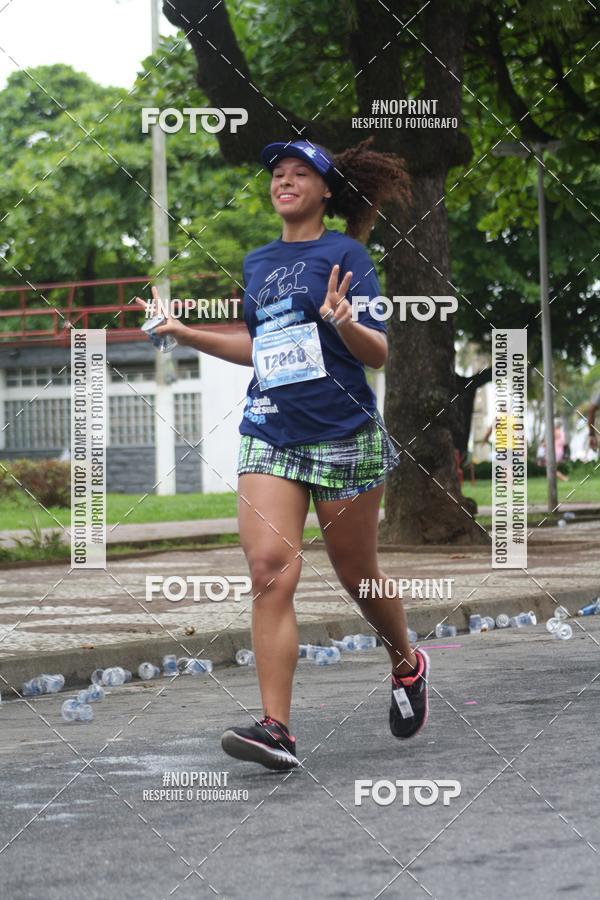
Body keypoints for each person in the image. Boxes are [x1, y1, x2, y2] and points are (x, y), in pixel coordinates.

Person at [137, 138, 428, 772]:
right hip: (270, 430)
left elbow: (378, 352)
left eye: (300, 173)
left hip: (343, 433)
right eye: (278, 173)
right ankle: (277, 730)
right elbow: (260, 348)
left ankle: (406, 663)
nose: (285, 181)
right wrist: (185, 332)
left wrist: (344, 320)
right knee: (269, 569)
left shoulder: (347, 254)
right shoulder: (259, 261)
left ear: (325, 191)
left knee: (359, 575)